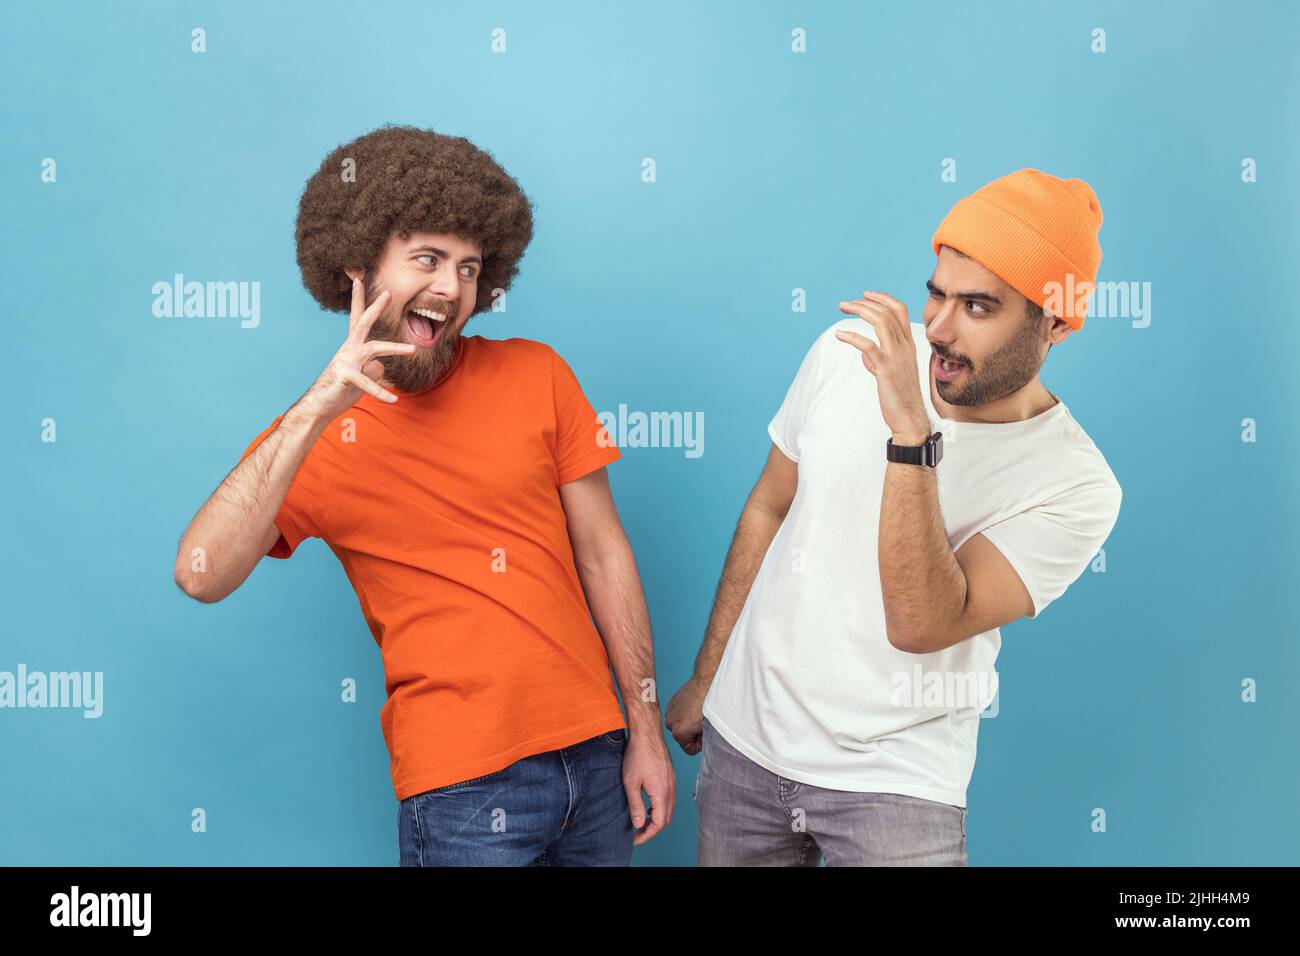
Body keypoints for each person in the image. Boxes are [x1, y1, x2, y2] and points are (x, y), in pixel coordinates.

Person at [174, 125, 674, 866]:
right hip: (464, 788)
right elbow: (200, 573)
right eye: (428, 260)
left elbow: (605, 553)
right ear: (358, 271)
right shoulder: (316, 436)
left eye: (470, 268)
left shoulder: (538, 374)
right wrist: (316, 409)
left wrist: (645, 730)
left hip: (596, 761)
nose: (451, 287)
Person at [666, 168, 1122, 866]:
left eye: (977, 307)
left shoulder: (1075, 484)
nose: (937, 328)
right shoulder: (848, 353)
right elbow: (768, 504)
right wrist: (708, 675)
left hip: (896, 784)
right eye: (936, 293)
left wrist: (911, 432)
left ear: (1055, 320)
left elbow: (922, 622)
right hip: (746, 747)